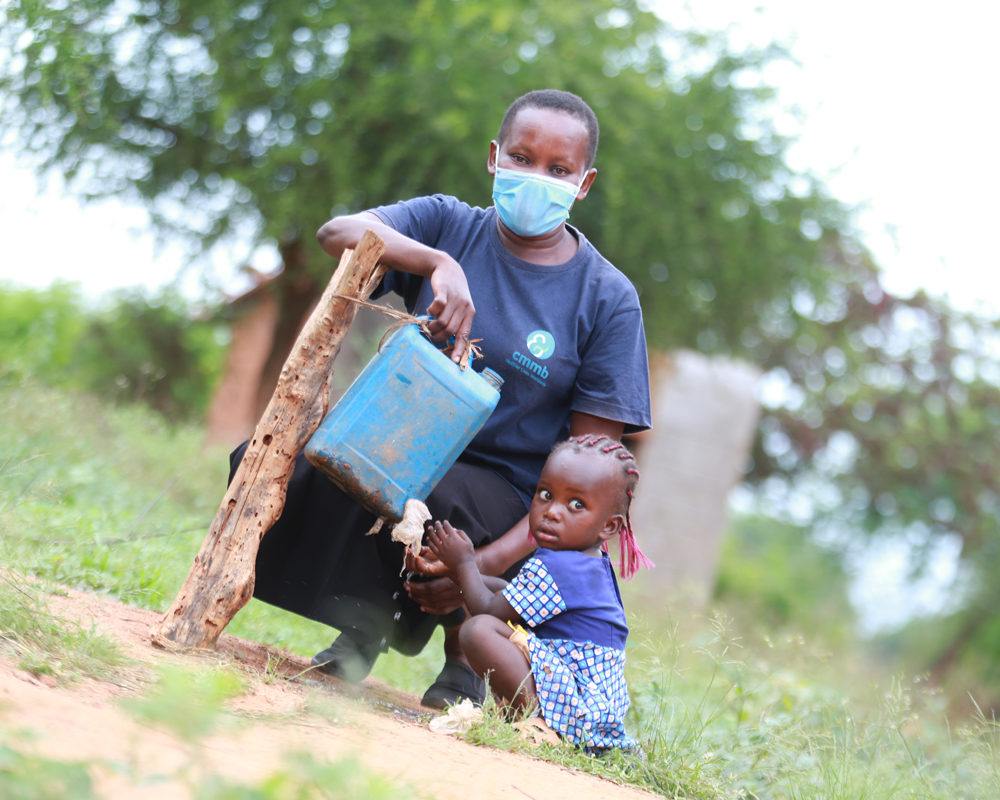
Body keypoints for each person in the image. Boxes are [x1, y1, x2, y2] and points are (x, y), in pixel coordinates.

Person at [232, 88, 652, 708]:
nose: (536, 177)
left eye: (558, 170)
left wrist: (477, 568)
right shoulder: (450, 223)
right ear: (494, 157)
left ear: (583, 184)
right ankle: (362, 622)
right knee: (287, 462)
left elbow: (590, 477)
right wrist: (436, 263)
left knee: (442, 492)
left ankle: (466, 660)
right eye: (522, 157)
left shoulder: (607, 298)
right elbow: (337, 232)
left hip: (512, 493)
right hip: (408, 445)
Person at [424, 434, 652, 751]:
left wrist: (463, 563)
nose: (552, 511)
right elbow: (511, 598)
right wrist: (463, 576)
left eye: (576, 505)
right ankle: (540, 716)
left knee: (478, 630)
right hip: (590, 706)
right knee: (495, 616)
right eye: (545, 494)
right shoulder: (587, 562)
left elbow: (490, 611)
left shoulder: (561, 567)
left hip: (577, 708)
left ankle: (541, 724)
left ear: (608, 527)